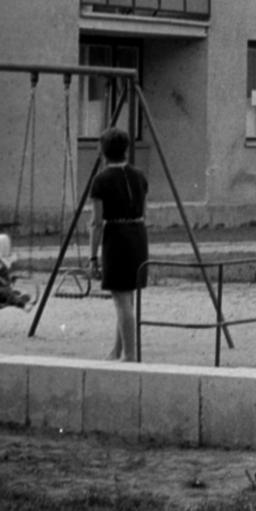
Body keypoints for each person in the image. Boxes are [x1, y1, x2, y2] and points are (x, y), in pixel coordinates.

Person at [89, 126, 148, 361]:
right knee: (127, 298)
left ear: (103, 152)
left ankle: (130, 356)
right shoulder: (140, 176)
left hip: (117, 236)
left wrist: (93, 256)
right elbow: (144, 212)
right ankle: (118, 350)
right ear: (126, 150)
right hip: (138, 233)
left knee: (121, 299)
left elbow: (96, 222)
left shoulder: (101, 181)